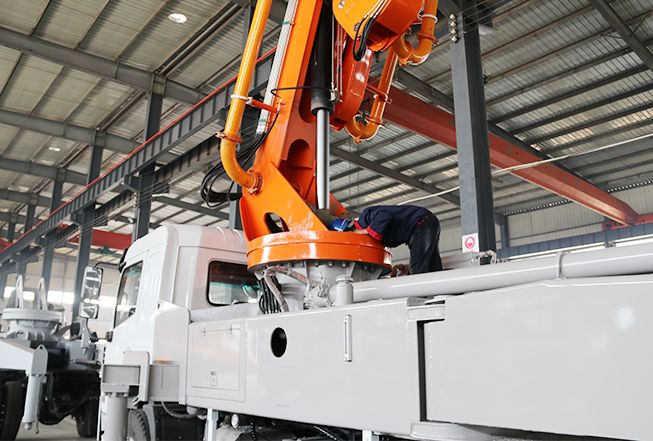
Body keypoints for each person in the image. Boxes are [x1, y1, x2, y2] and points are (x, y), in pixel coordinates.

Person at [353, 205, 442, 275]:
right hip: (426, 221)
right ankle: (441, 291)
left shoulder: (365, 217)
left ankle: (420, 293)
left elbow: (384, 216)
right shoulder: (371, 237)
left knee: (418, 270)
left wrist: (366, 231)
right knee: (434, 267)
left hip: (420, 222)